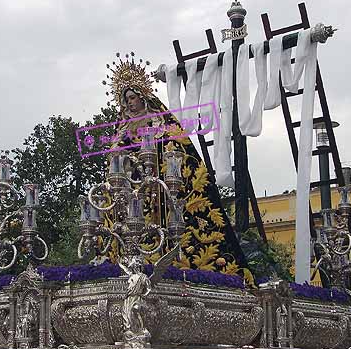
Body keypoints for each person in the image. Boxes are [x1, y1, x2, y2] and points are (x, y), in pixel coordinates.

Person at [102, 53, 253, 282]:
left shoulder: (161, 121)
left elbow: (177, 147)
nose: (129, 102)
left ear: (143, 97)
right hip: (130, 193)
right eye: (126, 99)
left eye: (133, 97)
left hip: (160, 190)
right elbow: (114, 159)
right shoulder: (122, 129)